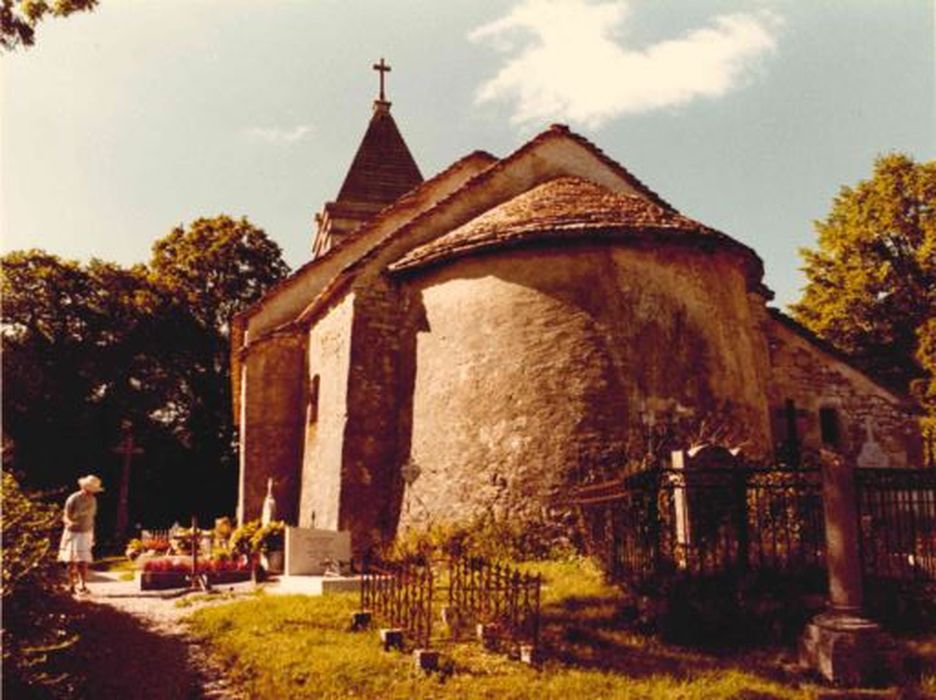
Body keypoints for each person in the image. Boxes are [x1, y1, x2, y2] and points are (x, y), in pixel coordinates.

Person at [58, 474, 103, 594]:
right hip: (73, 533)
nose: (92, 492)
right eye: (90, 489)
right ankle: (71, 584)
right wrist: (69, 523)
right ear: (84, 487)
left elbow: (92, 517)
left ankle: (82, 584)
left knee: (83, 560)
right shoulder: (73, 498)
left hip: (86, 532)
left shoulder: (93, 500)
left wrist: (93, 533)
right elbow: (65, 515)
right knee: (71, 560)